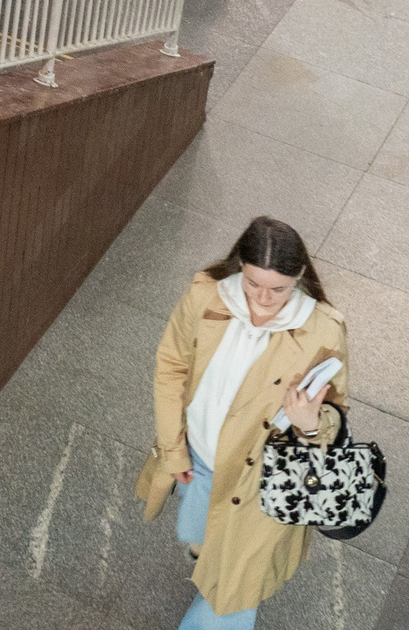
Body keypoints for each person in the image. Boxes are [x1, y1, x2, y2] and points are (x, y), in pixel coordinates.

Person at [135, 216, 352, 630]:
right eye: (253, 283)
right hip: (196, 459)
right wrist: (172, 446)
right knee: (199, 541)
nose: (264, 299)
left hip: (259, 483)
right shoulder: (205, 297)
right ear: (239, 266)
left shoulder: (323, 330)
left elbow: (336, 417)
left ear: (300, 276)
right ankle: (208, 567)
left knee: (234, 590)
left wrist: (310, 423)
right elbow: (171, 366)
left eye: (278, 289)